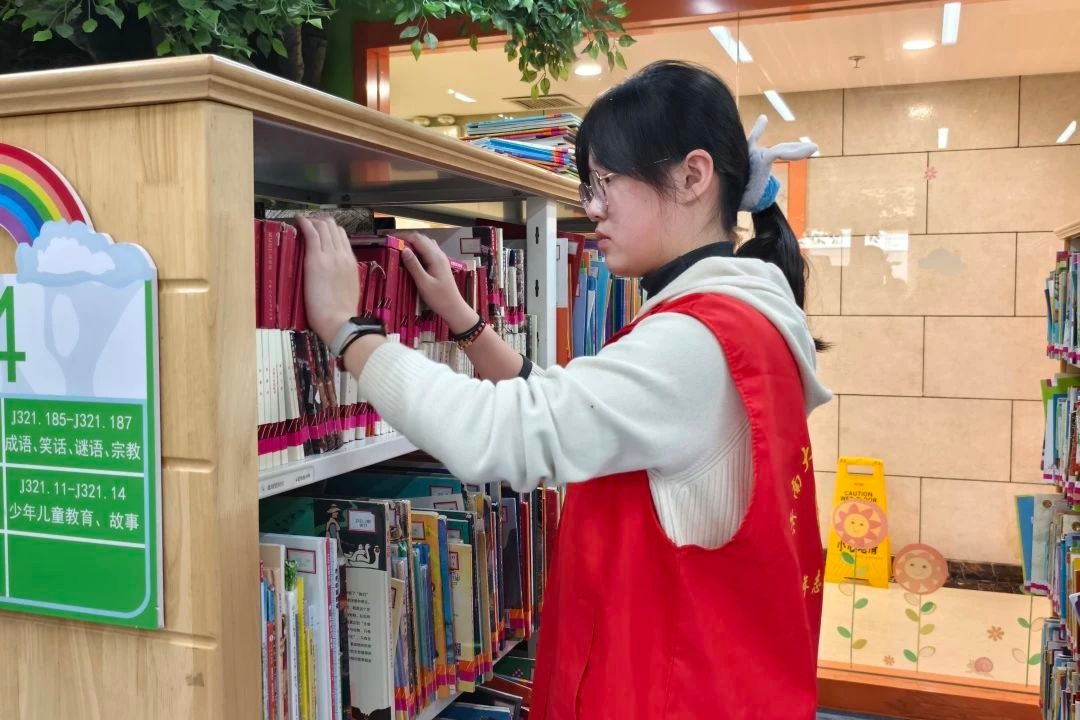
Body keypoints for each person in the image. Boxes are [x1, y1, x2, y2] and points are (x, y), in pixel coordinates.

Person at [299, 60, 832, 720]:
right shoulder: (745, 320)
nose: (593, 209)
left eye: (607, 183)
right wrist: (465, 323)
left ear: (694, 176)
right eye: (589, 186)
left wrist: (346, 331)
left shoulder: (695, 342)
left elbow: (500, 435)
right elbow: (576, 410)